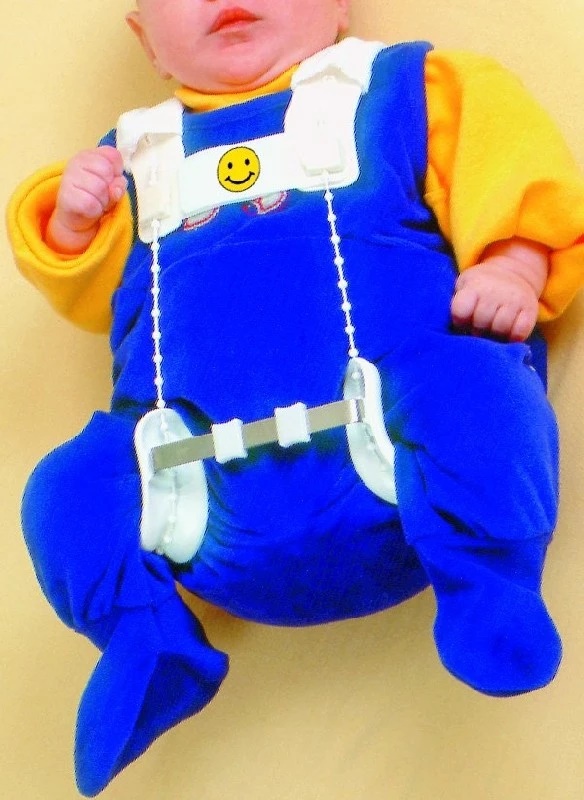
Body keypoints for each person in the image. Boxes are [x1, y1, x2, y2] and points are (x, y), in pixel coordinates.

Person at [7, 0, 584, 795]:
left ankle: (489, 581)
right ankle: (145, 638)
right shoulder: (133, 159)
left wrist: (513, 264)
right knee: (64, 491)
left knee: (479, 390)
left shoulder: (404, 88)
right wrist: (73, 225)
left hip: (391, 448)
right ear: (148, 43)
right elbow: (92, 293)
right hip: (191, 490)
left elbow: (515, 169)